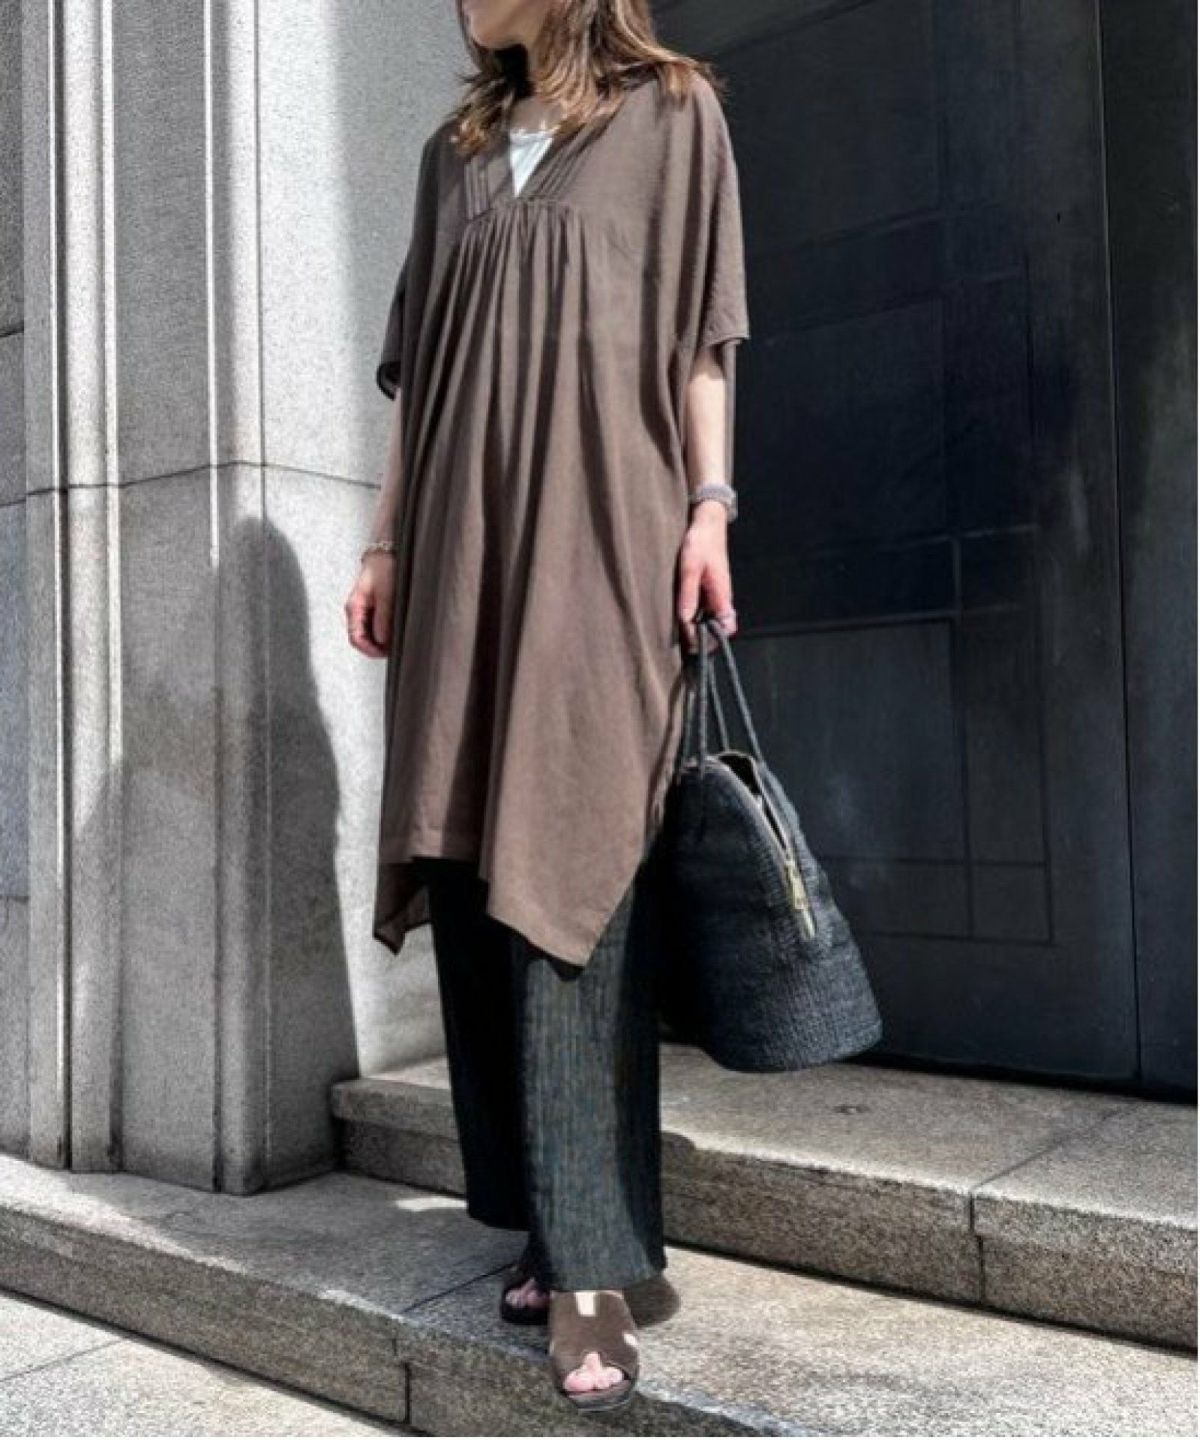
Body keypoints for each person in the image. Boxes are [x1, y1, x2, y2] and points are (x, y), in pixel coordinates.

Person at [343, 0, 749, 1413]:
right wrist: (386, 541)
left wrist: (710, 507)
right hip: (461, 552)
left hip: (602, 539)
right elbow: (416, 381)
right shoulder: (452, 152)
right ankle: (541, 1222)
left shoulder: (674, 114)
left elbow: (704, 342)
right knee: (470, 865)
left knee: (576, 872)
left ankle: (592, 1272)